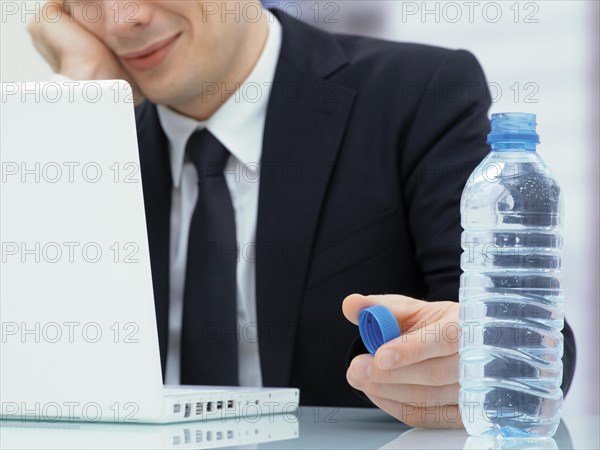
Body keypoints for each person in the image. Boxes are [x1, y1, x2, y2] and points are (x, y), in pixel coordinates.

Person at [28, 0, 576, 429]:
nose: (123, 19)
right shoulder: (94, 143)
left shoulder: (419, 94)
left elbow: (532, 342)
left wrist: (464, 356)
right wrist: (81, 106)